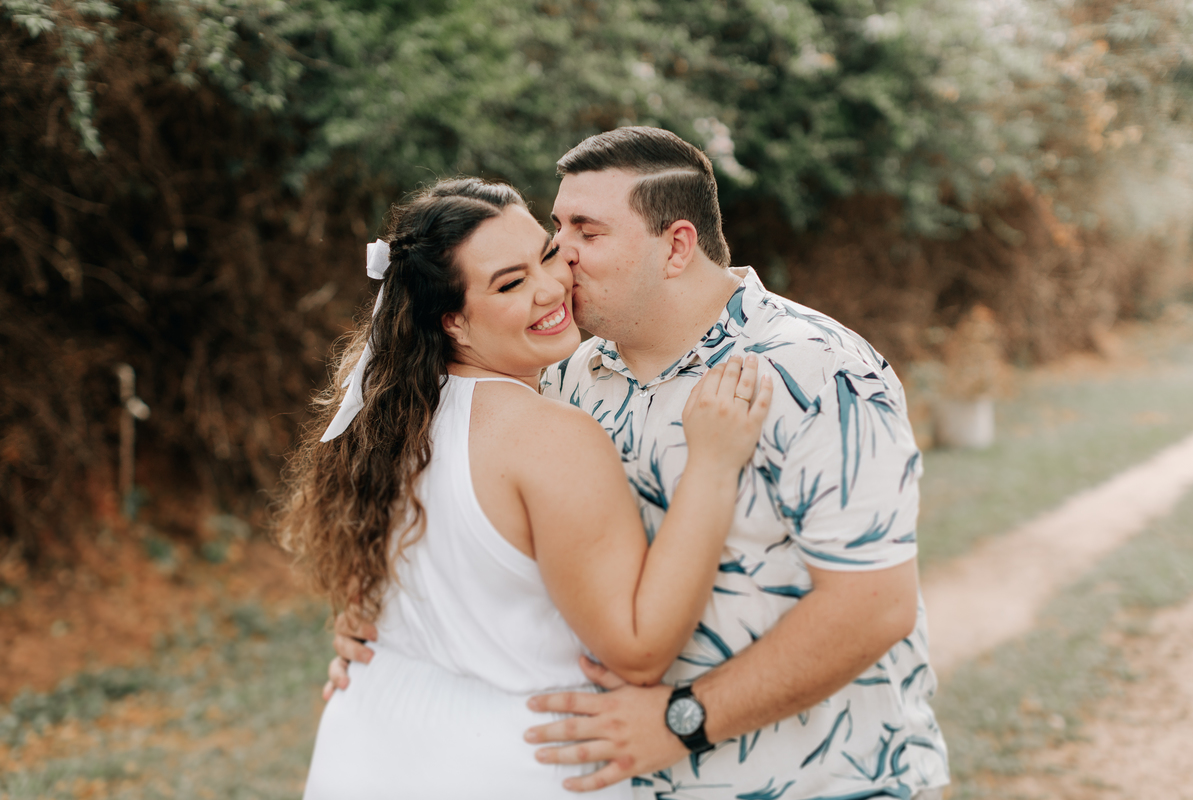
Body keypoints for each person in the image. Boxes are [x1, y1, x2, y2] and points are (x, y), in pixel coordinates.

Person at [331, 128, 951, 799]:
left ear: (677, 246)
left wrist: (682, 721)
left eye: (587, 232)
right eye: (557, 227)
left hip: (818, 783)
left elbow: (874, 608)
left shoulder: (815, 371)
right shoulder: (568, 375)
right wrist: (390, 625)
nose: (561, 254)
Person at [277, 176, 773, 800]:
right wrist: (713, 465)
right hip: (510, 763)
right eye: (510, 284)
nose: (551, 288)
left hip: (367, 746)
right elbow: (639, 649)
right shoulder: (548, 436)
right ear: (454, 322)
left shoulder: (381, 423)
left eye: (547, 255)